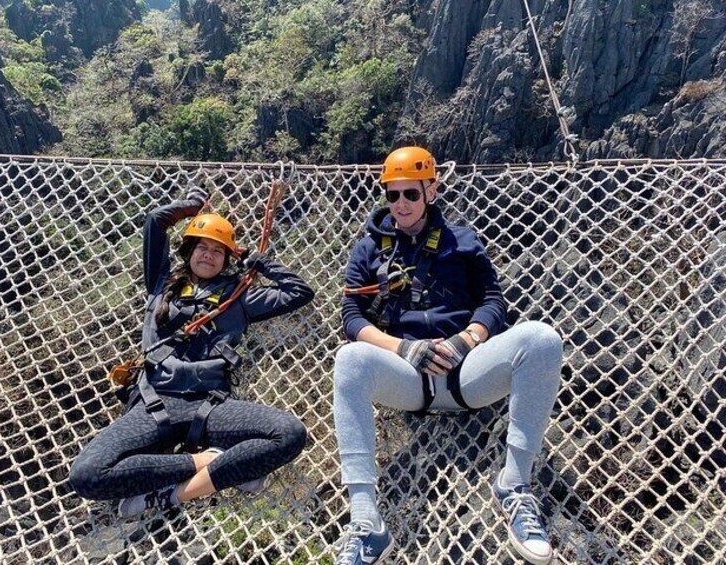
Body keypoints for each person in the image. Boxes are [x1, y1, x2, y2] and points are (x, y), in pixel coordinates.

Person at [332, 147, 562, 565]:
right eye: (392, 194)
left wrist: (465, 341)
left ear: (431, 191)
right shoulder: (368, 248)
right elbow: (351, 316)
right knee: (349, 359)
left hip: (466, 372)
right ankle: (366, 522)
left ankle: (514, 485)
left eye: (411, 194)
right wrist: (404, 348)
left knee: (542, 339)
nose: (400, 204)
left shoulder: (463, 239)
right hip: (408, 376)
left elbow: (493, 302)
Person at [70, 186, 314, 518]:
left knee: (288, 434)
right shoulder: (161, 283)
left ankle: (173, 495)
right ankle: (214, 462)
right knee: (86, 475)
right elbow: (155, 221)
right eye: (203, 247)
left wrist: (254, 260)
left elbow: (299, 292)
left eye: (218, 251)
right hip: (153, 404)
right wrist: (192, 206)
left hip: (211, 405)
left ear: (227, 259)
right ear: (189, 251)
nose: (209, 255)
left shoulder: (238, 298)